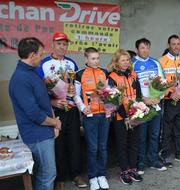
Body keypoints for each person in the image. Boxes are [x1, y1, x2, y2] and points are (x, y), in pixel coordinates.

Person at [35, 32, 86, 190]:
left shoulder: (71, 63)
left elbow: (77, 84)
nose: (62, 47)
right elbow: (39, 91)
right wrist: (53, 101)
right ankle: (60, 178)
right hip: (55, 110)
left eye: (65, 44)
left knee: (75, 141)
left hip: (71, 109)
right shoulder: (43, 64)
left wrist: (75, 94)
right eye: (59, 44)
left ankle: (76, 174)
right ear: (53, 44)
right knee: (58, 143)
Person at [9, 37, 61, 190]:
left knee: (46, 174)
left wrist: (53, 125)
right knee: (47, 175)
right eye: (40, 54)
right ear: (32, 55)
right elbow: (34, 114)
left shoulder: (32, 73)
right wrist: (55, 123)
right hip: (37, 135)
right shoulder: (20, 79)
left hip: (45, 131)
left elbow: (43, 100)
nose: (42, 57)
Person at [73, 47, 110, 190]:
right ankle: (93, 177)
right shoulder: (79, 74)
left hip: (104, 115)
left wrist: (110, 106)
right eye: (93, 58)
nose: (96, 61)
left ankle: (102, 175)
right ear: (86, 59)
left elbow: (108, 93)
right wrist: (83, 108)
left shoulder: (104, 72)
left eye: (98, 58)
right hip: (90, 116)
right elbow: (75, 95)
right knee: (92, 148)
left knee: (102, 147)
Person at [107, 49, 143, 185]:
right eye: (123, 60)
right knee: (122, 144)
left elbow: (138, 94)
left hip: (135, 115)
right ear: (116, 62)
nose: (126, 62)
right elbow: (113, 100)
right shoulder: (112, 77)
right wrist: (126, 116)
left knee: (134, 143)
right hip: (121, 117)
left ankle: (133, 169)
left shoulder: (133, 74)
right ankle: (124, 171)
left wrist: (137, 111)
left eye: (128, 60)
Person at [132, 38, 167, 174]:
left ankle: (152, 160)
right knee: (141, 136)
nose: (145, 50)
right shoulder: (132, 64)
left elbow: (163, 83)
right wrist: (142, 100)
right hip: (141, 106)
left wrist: (159, 97)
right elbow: (131, 87)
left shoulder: (155, 63)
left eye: (147, 47)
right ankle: (140, 163)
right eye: (142, 48)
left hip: (156, 105)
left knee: (154, 135)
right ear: (137, 50)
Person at [159, 34, 180, 167]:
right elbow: (158, 83)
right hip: (169, 100)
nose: (176, 46)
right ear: (168, 45)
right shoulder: (161, 61)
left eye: (178, 44)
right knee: (167, 129)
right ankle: (166, 154)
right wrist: (171, 92)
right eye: (173, 44)